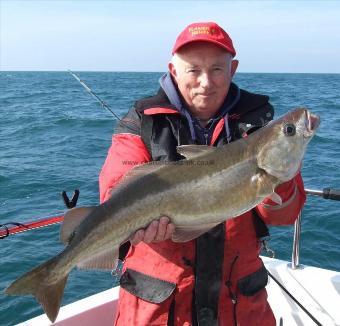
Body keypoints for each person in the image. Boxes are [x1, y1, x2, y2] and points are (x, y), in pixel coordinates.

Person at [99, 22, 306, 326]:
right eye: (193, 70)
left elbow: (284, 216)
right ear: (173, 69)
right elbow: (115, 190)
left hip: (239, 305)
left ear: (233, 69)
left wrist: (283, 179)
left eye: (217, 70)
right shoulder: (141, 123)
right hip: (157, 306)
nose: (205, 82)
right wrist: (138, 223)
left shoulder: (259, 125)